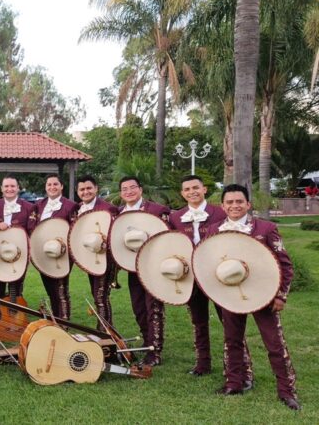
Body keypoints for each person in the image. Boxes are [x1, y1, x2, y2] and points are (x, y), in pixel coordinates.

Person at [207, 184, 300, 411]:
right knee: (232, 341)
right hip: (230, 294)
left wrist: (281, 296)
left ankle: (287, 391)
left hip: (264, 293)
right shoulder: (213, 230)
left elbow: (285, 266)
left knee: (274, 343)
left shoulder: (265, 228)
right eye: (229, 202)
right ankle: (234, 383)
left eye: (239, 201)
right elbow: (208, 263)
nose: (234, 205)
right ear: (223, 205)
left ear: (248, 204)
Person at [168, 175, 231, 376]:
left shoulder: (220, 212)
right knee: (198, 321)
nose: (192, 192)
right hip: (192, 276)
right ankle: (203, 363)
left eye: (196, 187)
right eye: (187, 189)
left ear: (204, 189)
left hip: (218, 274)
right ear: (182, 193)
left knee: (229, 320)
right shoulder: (176, 217)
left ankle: (235, 365)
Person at [117, 176, 170, 367]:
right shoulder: (119, 213)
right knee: (138, 307)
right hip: (132, 267)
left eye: (132, 188)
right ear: (121, 193)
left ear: (140, 189)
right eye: (125, 189)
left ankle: (155, 350)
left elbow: (167, 237)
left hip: (153, 266)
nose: (129, 191)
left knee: (153, 308)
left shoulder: (157, 210)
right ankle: (148, 342)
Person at [72, 175, 118, 328]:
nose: (86, 192)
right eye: (82, 189)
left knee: (101, 297)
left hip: (105, 259)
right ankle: (105, 330)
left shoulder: (107, 208)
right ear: (77, 191)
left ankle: (106, 334)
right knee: (97, 296)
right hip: (88, 259)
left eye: (89, 188)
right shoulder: (77, 209)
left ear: (96, 188)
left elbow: (114, 234)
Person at [30, 174, 77, 319]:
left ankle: (65, 323)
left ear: (61, 186)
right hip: (44, 254)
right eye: (49, 184)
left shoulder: (70, 205)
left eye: (55, 184)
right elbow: (32, 227)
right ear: (45, 187)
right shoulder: (38, 205)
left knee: (61, 291)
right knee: (50, 290)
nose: (52, 187)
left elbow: (75, 230)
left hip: (62, 254)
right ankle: (56, 320)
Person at [0, 176, 35, 300]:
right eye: (6, 186)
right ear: (1, 189)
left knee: (17, 287)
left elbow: (32, 230)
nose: (10, 189)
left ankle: (16, 316)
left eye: (13, 186)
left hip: (20, 253)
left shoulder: (28, 207)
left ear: (18, 188)